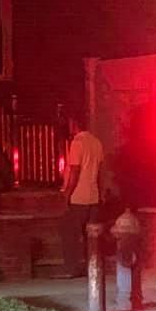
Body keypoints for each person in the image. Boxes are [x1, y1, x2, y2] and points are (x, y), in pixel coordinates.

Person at [58, 116, 104, 278]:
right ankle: (91, 267)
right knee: (90, 237)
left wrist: (67, 194)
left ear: (74, 124)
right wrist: (100, 193)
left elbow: (75, 171)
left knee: (69, 233)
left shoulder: (77, 143)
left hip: (78, 197)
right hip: (93, 196)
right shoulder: (97, 143)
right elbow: (99, 173)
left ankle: (72, 269)